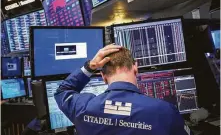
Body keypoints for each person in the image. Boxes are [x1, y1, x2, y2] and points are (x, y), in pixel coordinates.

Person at [55, 44, 188, 135]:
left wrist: (90, 66)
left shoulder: (82, 107)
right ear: (135, 68)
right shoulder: (165, 111)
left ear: (103, 76)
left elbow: (63, 91)